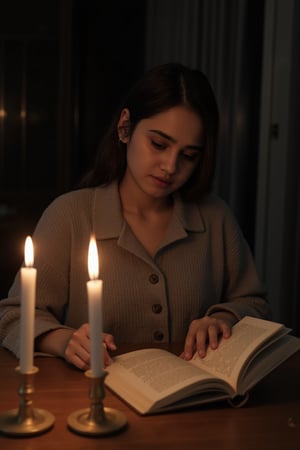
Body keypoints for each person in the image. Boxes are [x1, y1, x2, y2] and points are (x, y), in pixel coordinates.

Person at [0, 63, 270, 371]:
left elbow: (256, 305)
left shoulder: (215, 217)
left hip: (197, 408)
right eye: (158, 144)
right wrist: (64, 340)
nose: (170, 166)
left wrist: (223, 319)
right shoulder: (71, 215)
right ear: (125, 127)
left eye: (189, 155)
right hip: (93, 402)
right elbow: (13, 317)